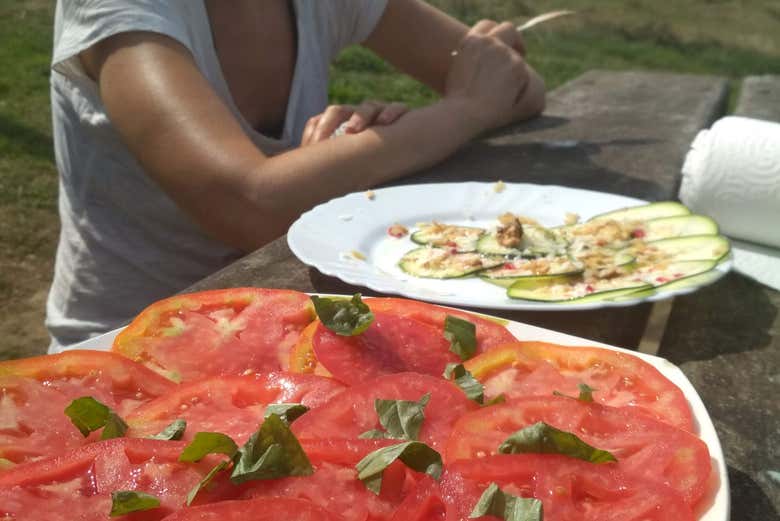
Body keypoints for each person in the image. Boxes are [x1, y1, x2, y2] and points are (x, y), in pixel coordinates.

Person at [46, 0, 546, 351]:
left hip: (282, 330)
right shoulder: (122, 10)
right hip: (126, 355)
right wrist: (463, 110)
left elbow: (518, 88)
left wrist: (350, 153)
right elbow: (249, 204)